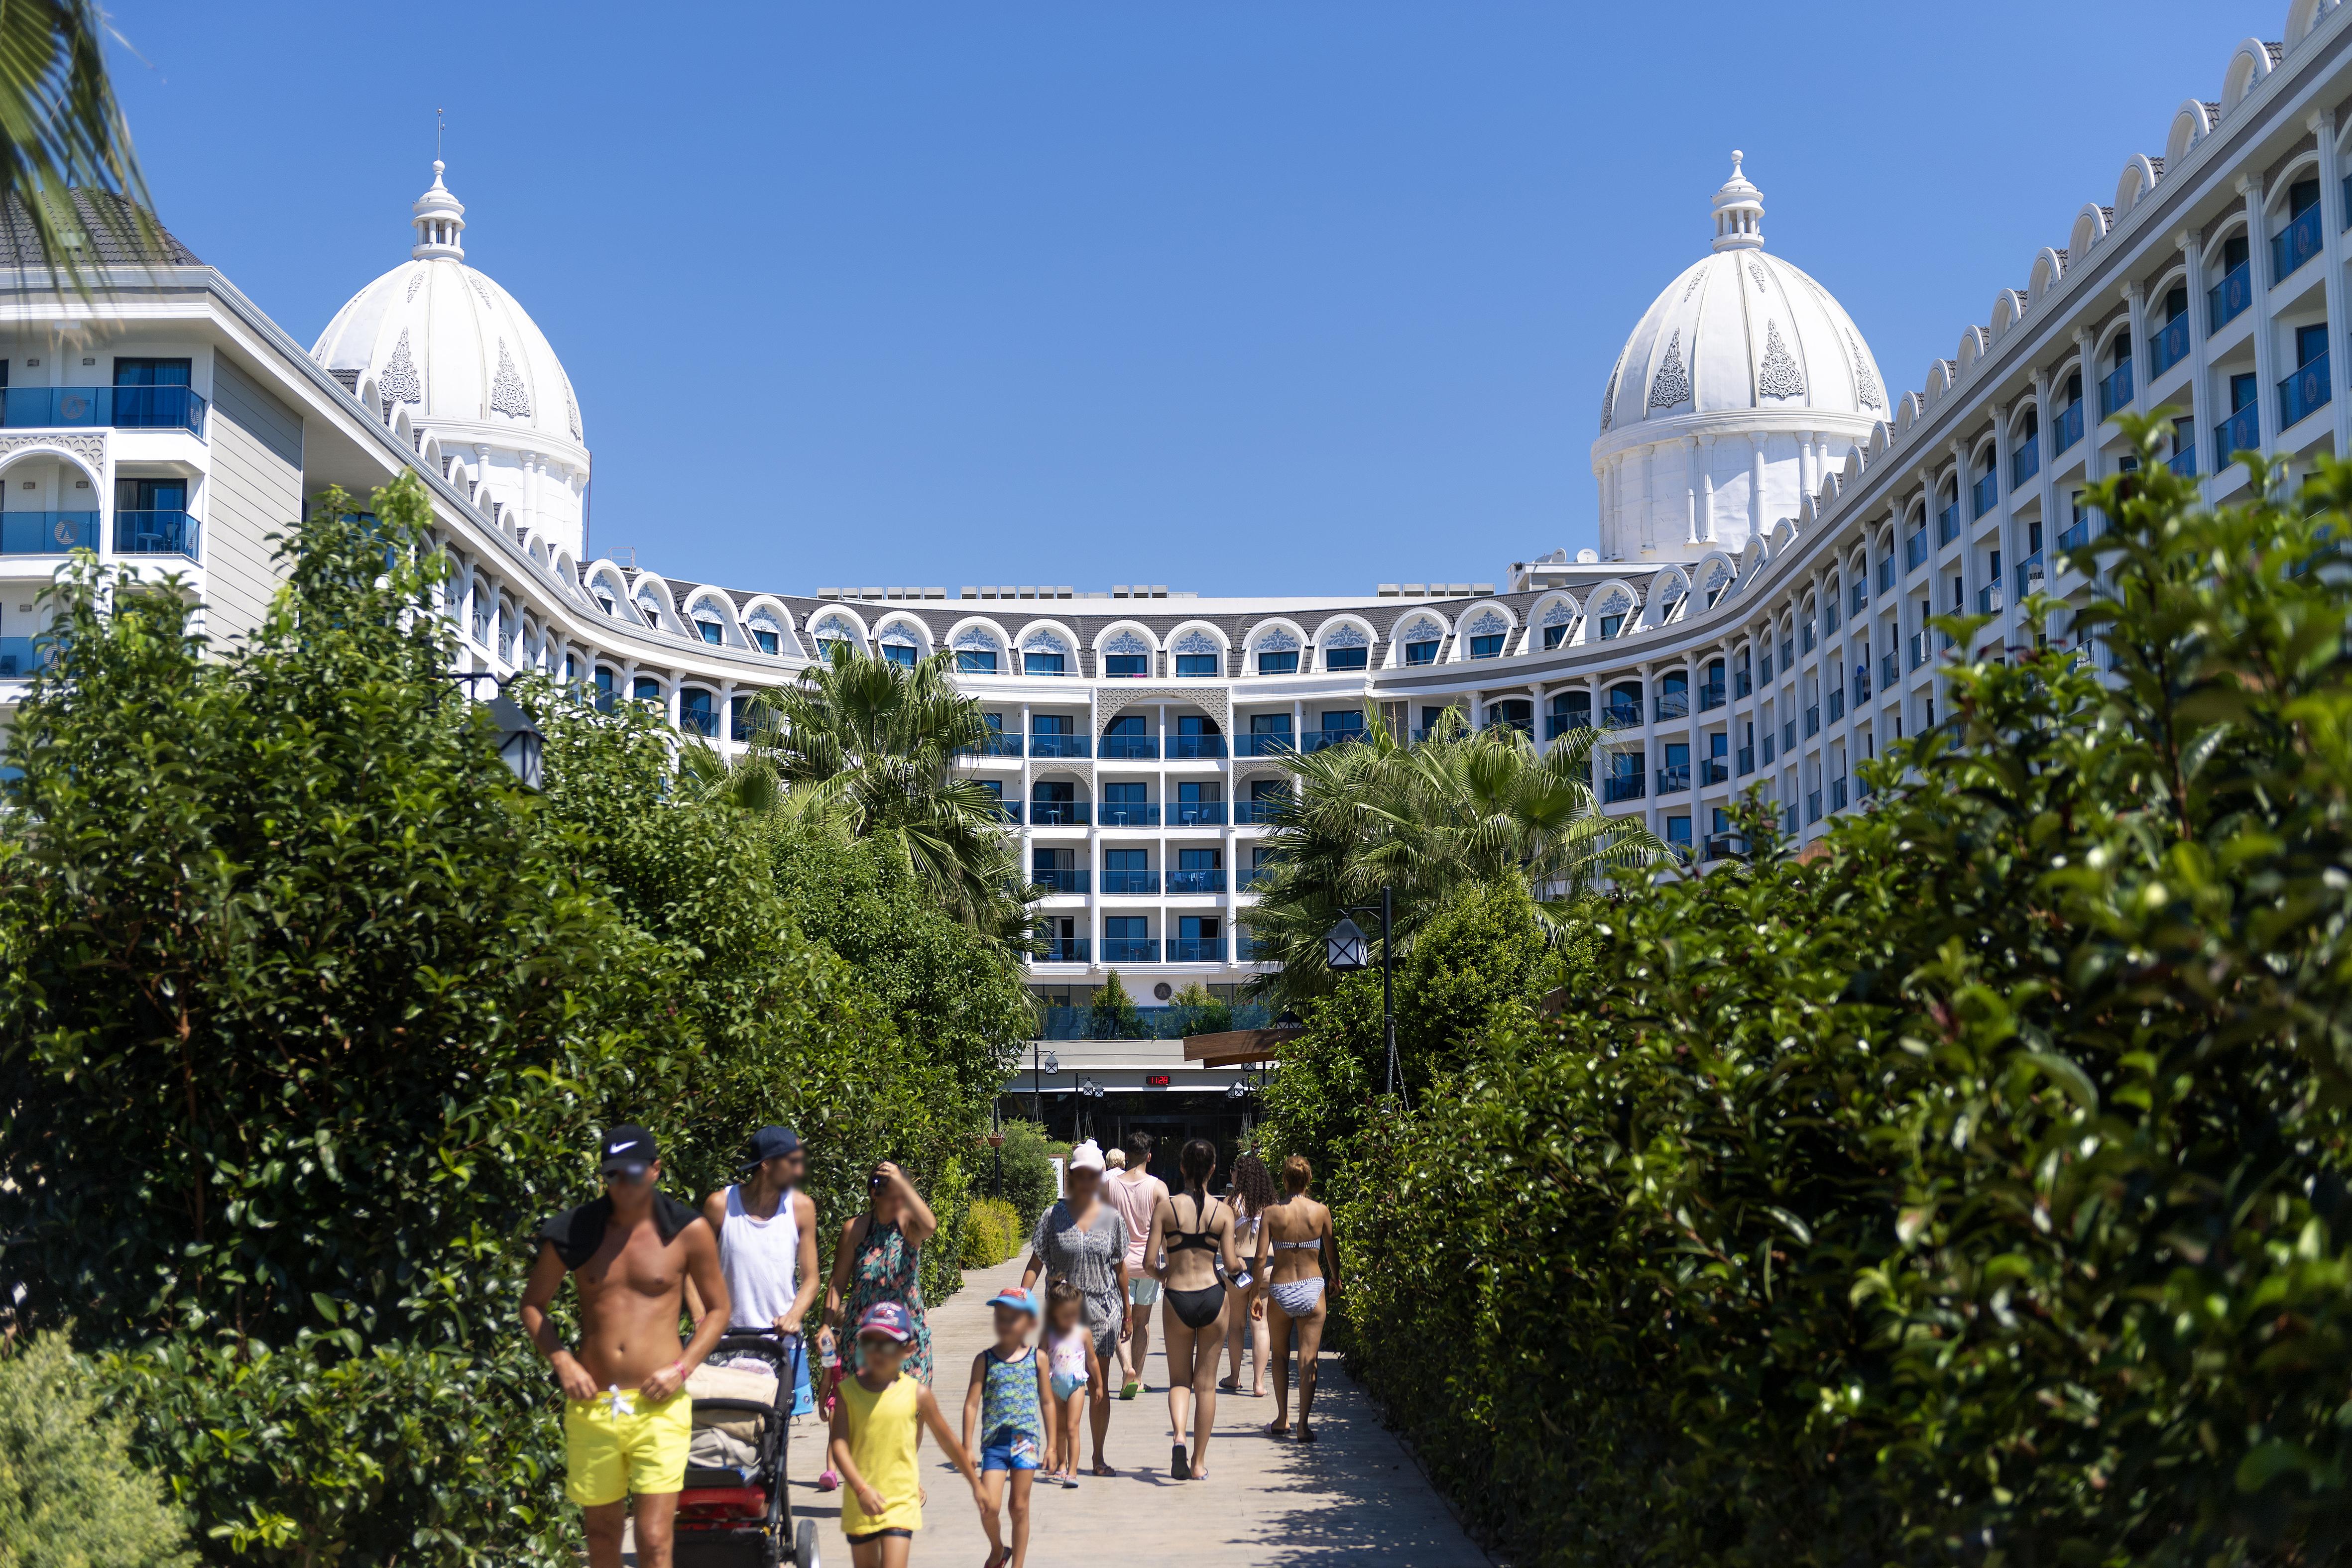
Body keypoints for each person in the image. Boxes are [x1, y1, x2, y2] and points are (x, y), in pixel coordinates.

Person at [519, 1124, 731, 1568]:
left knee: (654, 1539)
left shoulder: (687, 1230)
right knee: (601, 1535)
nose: (623, 1186)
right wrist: (562, 1361)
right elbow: (534, 1305)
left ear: (655, 1170)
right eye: (614, 1176)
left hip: (662, 1404)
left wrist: (683, 1367)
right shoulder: (576, 1231)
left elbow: (717, 1311)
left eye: (633, 1174)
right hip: (594, 1404)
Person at [829, 1301, 982, 1568]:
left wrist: (976, 1484)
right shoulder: (847, 1393)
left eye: (887, 1344)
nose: (878, 1351)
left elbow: (948, 1441)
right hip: (860, 1500)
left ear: (908, 1349)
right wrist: (861, 1488)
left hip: (901, 1501)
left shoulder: (918, 1394)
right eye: (871, 1342)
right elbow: (839, 1446)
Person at [688, 1124, 821, 1417]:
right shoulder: (720, 1205)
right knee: (728, 1426)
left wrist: (794, 1316)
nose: (801, 1169)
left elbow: (812, 1279)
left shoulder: (801, 1208)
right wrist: (701, 1318)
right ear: (768, 1165)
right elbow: (688, 1268)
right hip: (726, 1343)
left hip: (781, 1344)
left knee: (777, 1437)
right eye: (793, 1161)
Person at [1019, 1139, 1129, 1475]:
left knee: (1099, 1387)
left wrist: (1128, 1310)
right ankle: (1063, 1456)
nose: (1086, 1181)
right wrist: (1021, 1297)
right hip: (1063, 1316)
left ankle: (1097, 1457)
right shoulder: (1053, 1217)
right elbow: (1037, 1262)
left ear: (1099, 1178)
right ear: (1072, 1176)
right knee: (1062, 1386)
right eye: (1080, 1175)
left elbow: (1120, 1267)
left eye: (1093, 1175)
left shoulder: (1111, 1218)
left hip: (1103, 1311)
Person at [1142, 1137, 1244, 1481]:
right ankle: (1198, 1463)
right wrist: (1241, 1264)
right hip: (1214, 1299)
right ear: (1213, 1169)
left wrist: (1164, 1273)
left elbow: (1148, 1262)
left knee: (1179, 1381)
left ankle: (1179, 1438)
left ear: (1183, 1168)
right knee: (1207, 1386)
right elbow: (1231, 1265)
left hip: (1177, 1297)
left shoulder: (1166, 1209)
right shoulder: (1224, 1212)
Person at [823, 1160, 939, 1389]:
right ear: (875, 1193)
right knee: (862, 1417)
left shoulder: (909, 1226)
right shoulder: (855, 1229)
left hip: (906, 1340)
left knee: (909, 1416)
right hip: (864, 1341)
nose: (900, 1201)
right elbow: (837, 1283)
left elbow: (931, 1226)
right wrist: (826, 1325)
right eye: (894, 1194)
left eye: (903, 1193)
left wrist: (902, 1181)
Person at [960, 1286, 1051, 1568]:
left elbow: (1047, 1402)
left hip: (1026, 1441)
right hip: (995, 1443)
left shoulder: (1038, 1358)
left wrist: (1054, 1446)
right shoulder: (984, 1360)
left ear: (1030, 1323)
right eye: (1000, 1317)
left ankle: (1018, 1565)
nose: (1005, 1323)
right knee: (989, 1505)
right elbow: (972, 1404)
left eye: (1013, 1317)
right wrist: (966, 1446)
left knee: (1019, 1506)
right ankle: (998, 1548)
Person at [1262, 1153, 1339, 1443]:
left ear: (1284, 1180)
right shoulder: (1321, 1212)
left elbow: (1260, 1257)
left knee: (1280, 1355)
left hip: (1280, 1288)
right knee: (1309, 1358)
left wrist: (1256, 1294)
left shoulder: (1272, 1213)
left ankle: (1282, 1419)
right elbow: (1332, 1251)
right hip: (1312, 1286)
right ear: (1309, 1179)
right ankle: (1304, 1426)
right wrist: (1336, 1278)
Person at [1102, 1129, 1167, 1399]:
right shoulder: (1158, 1187)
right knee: (1142, 1323)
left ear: (1126, 1156)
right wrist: (1170, 1266)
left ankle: (1126, 1368)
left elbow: (1101, 1225)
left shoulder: (1109, 1186)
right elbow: (1165, 1232)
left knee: (1121, 1320)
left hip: (1119, 1265)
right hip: (1149, 1265)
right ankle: (1138, 1379)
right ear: (1149, 1156)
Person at [1219, 1153, 1275, 1398]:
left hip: (1240, 1268)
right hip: (1267, 1267)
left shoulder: (1231, 1203)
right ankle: (1259, 1383)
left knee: (1237, 1325)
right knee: (1261, 1325)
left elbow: (1225, 1240)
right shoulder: (1271, 1203)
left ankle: (1234, 1377)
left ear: (1239, 1174)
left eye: (1233, 1169)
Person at [1038, 1280, 1099, 1486]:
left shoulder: (1083, 1333)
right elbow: (1040, 1355)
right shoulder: (1048, 1333)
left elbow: (1092, 1360)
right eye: (1066, 1315)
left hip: (1075, 1386)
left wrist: (1098, 1385)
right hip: (1054, 1385)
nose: (1071, 1319)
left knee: (1072, 1428)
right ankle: (1062, 1465)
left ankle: (1073, 1471)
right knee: (1060, 1429)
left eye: (1075, 1314)